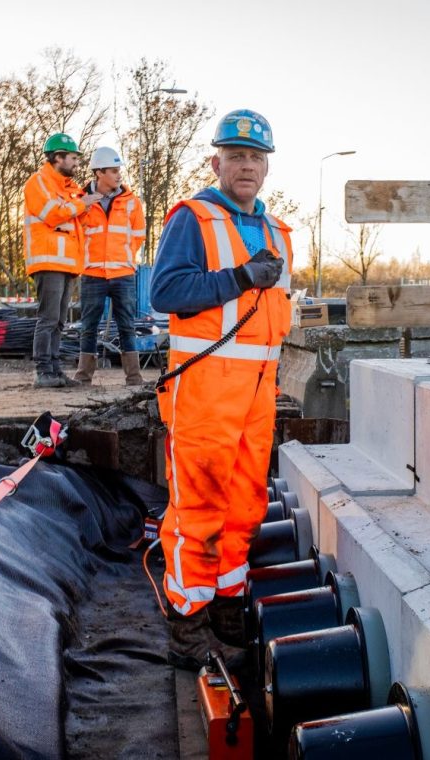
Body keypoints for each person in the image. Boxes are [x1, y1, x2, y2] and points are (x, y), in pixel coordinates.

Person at [150, 109, 292, 669]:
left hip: (257, 392)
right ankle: (187, 623)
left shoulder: (277, 231)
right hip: (207, 389)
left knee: (245, 503)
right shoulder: (194, 218)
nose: (246, 166)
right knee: (199, 506)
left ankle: (228, 606)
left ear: (266, 168)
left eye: (255, 157)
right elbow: (165, 291)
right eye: (236, 156)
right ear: (217, 163)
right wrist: (238, 277)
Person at [23, 133, 100, 388]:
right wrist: (81, 204)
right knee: (48, 318)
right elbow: (52, 215)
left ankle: (55, 371)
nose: (77, 163)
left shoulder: (69, 188)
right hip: (48, 261)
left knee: (58, 320)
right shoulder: (38, 182)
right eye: (73, 158)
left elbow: (78, 220)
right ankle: (43, 371)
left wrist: (86, 204)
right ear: (58, 158)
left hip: (67, 263)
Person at [74, 146, 146, 386]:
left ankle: (133, 377)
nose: (118, 175)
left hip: (123, 273)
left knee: (127, 325)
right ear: (99, 172)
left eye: (118, 170)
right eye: (113, 171)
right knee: (89, 326)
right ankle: (83, 377)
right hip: (92, 273)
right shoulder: (81, 201)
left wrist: (124, 257)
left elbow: (138, 235)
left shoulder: (132, 202)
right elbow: (75, 233)